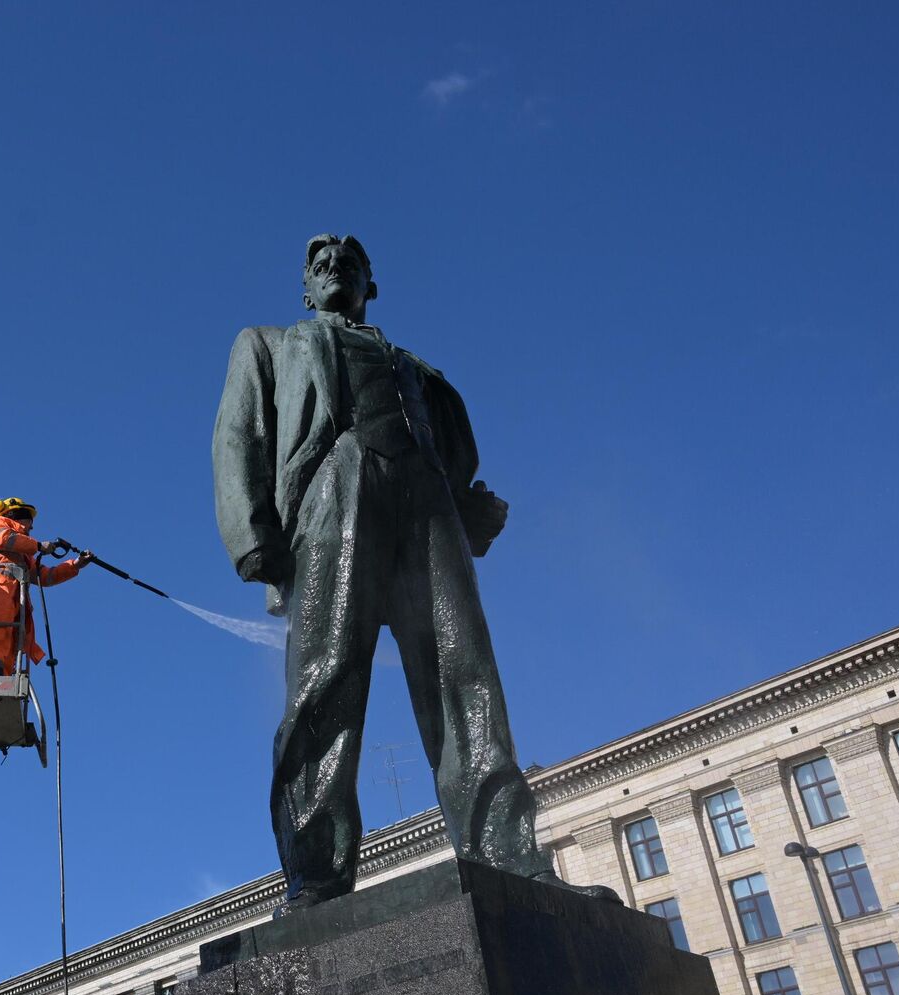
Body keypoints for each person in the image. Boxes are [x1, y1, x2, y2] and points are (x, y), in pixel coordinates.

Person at [212, 234, 616, 911]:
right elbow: (238, 436)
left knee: (466, 675)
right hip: (335, 490)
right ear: (305, 291)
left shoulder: (420, 374)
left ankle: (505, 853)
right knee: (325, 680)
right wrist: (252, 534)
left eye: (349, 263)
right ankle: (317, 875)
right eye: (319, 266)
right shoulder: (270, 344)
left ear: (373, 283)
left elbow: (450, 454)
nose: (333, 269)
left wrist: (467, 507)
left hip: (426, 505)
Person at [0, 497, 90, 675]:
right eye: (29, 523)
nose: (31, 529)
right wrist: (39, 546)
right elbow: (4, 540)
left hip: (9, 601)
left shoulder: (22, 553)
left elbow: (45, 576)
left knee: (9, 640)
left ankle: (3, 678)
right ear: (17, 517)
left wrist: (76, 564)